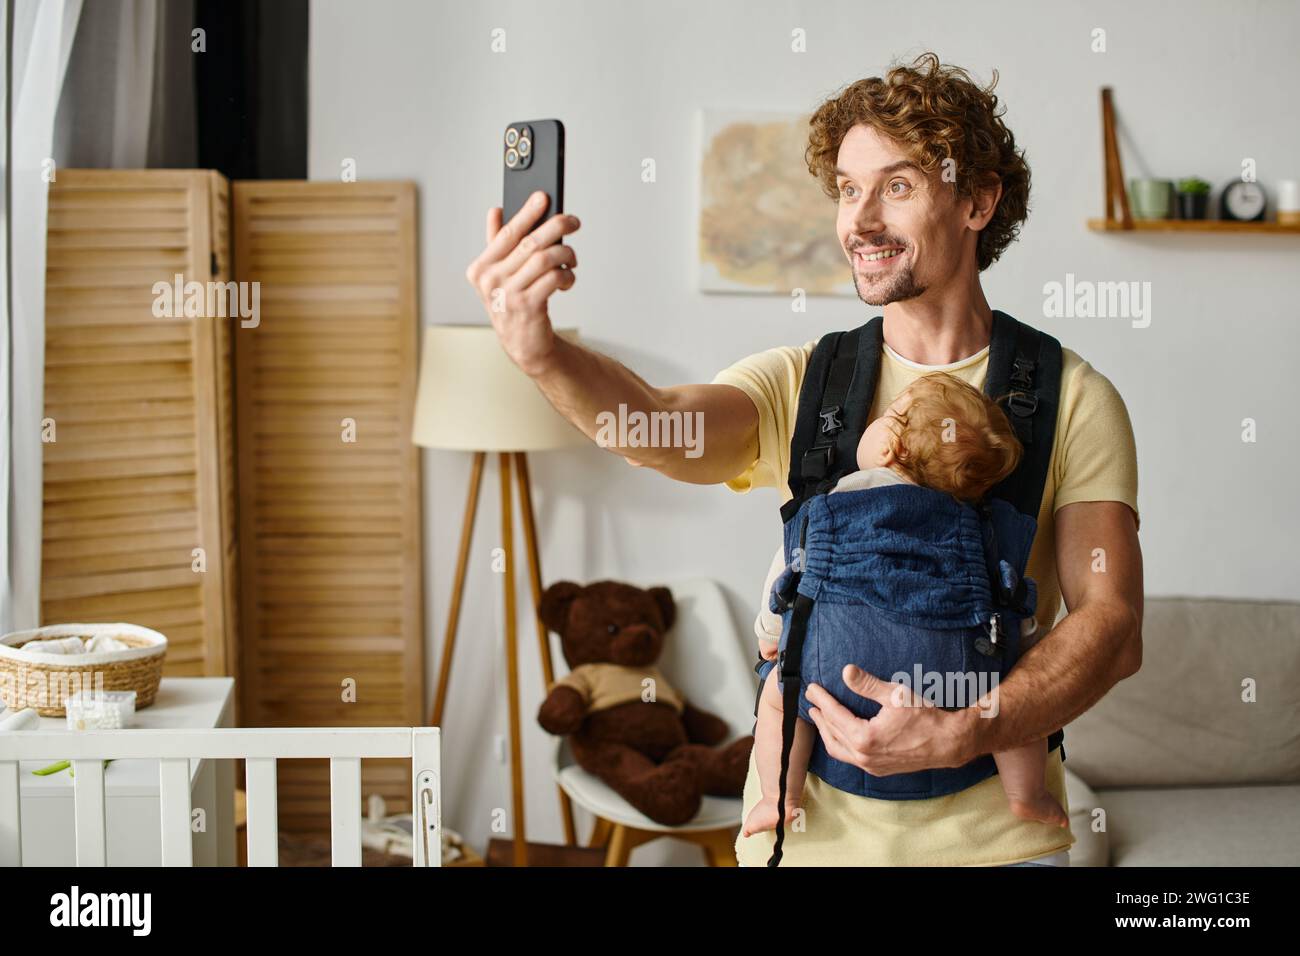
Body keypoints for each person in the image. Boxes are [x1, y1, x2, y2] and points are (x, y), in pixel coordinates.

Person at [464, 52, 1142, 866]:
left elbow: (1111, 623)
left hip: (998, 847)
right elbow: (651, 426)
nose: (859, 221)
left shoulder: (1069, 396)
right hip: (804, 847)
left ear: (978, 200)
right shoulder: (806, 383)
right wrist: (540, 353)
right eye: (849, 191)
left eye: (897, 185)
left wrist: (970, 725)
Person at [743, 373, 1068, 839]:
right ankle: (1026, 793)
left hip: (835, 671)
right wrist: (1026, 641)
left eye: (887, 416)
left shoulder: (835, 502)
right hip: (955, 679)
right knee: (1011, 697)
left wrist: (771, 635)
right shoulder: (977, 526)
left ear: (890, 449)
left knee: (780, 697)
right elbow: (1011, 594)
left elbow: (790, 571)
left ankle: (780, 798)